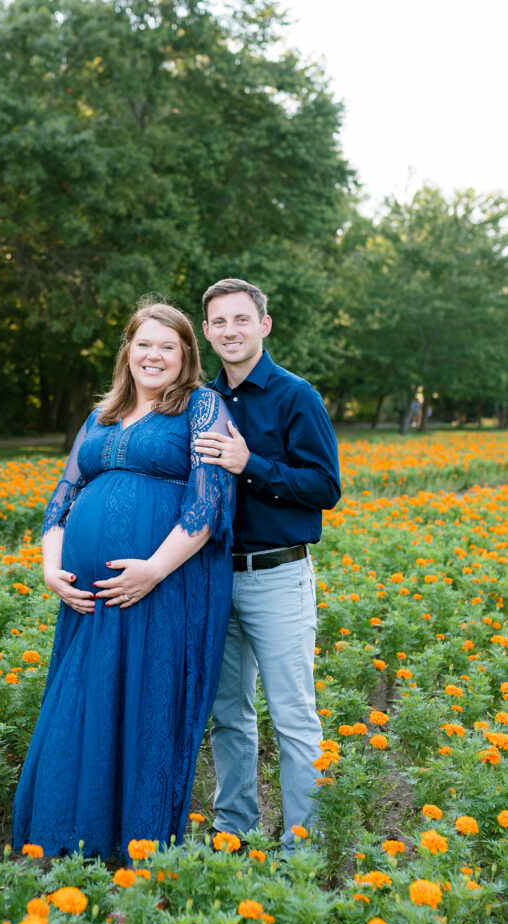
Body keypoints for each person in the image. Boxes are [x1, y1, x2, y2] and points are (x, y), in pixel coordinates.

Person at [12, 301, 235, 861]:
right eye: (144, 344)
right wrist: (51, 568)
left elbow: (207, 504)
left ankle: (137, 852)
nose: (154, 355)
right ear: (127, 352)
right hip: (87, 600)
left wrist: (152, 570)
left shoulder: (201, 408)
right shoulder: (101, 416)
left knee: (146, 709)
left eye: (168, 345)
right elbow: (59, 503)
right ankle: (66, 841)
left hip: (165, 590)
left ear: (186, 354)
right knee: (82, 705)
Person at [194, 278, 341, 854]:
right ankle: (235, 829)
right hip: (212, 576)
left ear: (264, 325)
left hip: (278, 576)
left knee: (293, 717)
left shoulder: (294, 395)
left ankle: (303, 845)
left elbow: (324, 487)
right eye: (219, 323)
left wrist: (248, 462)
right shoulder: (202, 399)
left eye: (241, 320)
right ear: (207, 332)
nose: (231, 331)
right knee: (228, 714)